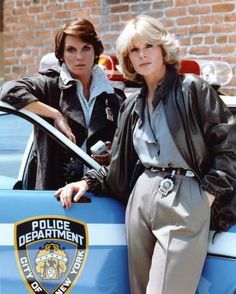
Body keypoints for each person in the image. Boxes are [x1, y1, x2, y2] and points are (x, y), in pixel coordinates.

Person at [55, 15, 236, 294]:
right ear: (128, 59)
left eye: (148, 46)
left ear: (163, 49)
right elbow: (120, 164)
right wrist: (88, 182)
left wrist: (206, 196)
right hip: (140, 198)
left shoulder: (193, 90)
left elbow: (229, 146)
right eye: (134, 51)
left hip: (185, 196)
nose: (142, 55)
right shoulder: (131, 105)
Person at [0, 18, 124, 189]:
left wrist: (112, 155)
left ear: (96, 51)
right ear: (61, 54)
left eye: (86, 48)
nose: (79, 57)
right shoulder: (49, 86)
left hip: (99, 197)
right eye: (71, 50)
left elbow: (127, 154)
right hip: (55, 199)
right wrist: (55, 114)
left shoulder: (114, 97)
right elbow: (8, 92)